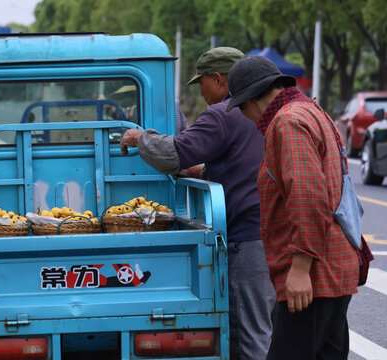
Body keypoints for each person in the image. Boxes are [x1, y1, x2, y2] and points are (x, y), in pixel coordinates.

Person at [120, 47, 276, 360]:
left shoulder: (223, 113)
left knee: (249, 334)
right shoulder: (263, 111)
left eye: (201, 83)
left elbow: (173, 153)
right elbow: (244, 163)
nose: (201, 92)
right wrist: (203, 171)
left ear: (218, 79)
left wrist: (138, 138)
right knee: (261, 328)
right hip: (272, 235)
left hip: (247, 239)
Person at [226, 55, 361, 360]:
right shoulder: (311, 110)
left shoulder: (287, 121)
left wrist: (300, 269)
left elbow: (307, 194)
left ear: (250, 101)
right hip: (333, 268)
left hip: (314, 276)